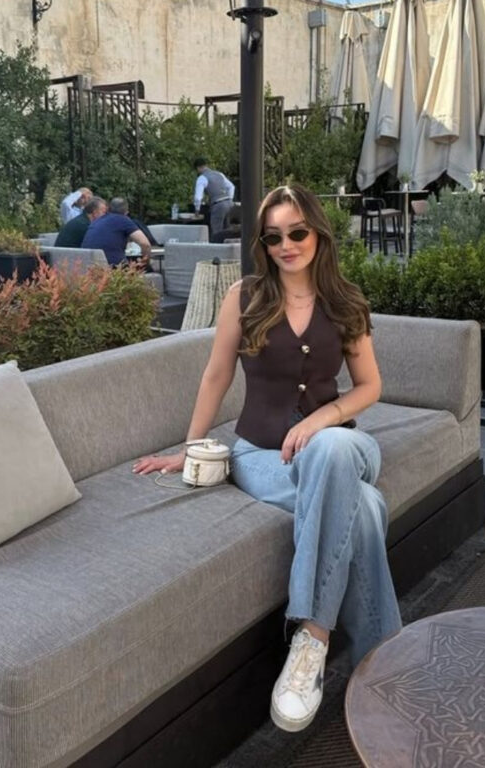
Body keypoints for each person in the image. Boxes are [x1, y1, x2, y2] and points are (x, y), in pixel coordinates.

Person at [132, 183, 401, 733]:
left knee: (333, 448)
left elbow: (369, 386)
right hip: (258, 455)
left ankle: (312, 635)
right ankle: (385, 669)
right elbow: (217, 374)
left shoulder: (346, 301)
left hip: (343, 448)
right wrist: (190, 450)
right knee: (365, 509)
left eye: (298, 232)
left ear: (318, 234)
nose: (287, 244)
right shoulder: (245, 297)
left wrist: (319, 419)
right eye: (274, 236)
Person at [82, 196, 152, 268]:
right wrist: (145, 261)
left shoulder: (96, 221)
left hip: (89, 269)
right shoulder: (123, 220)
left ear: (108, 209)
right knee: (149, 271)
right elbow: (145, 244)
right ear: (126, 212)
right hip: (113, 269)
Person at [193, 157, 235, 235]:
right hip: (229, 203)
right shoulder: (219, 174)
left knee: (217, 231)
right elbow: (231, 187)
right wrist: (230, 199)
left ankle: (218, 246)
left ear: (198, 168)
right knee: (227, 230)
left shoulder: (202, 178)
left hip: (218, 205)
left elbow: (198, 197)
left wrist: (197, 210)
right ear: (206, 165)